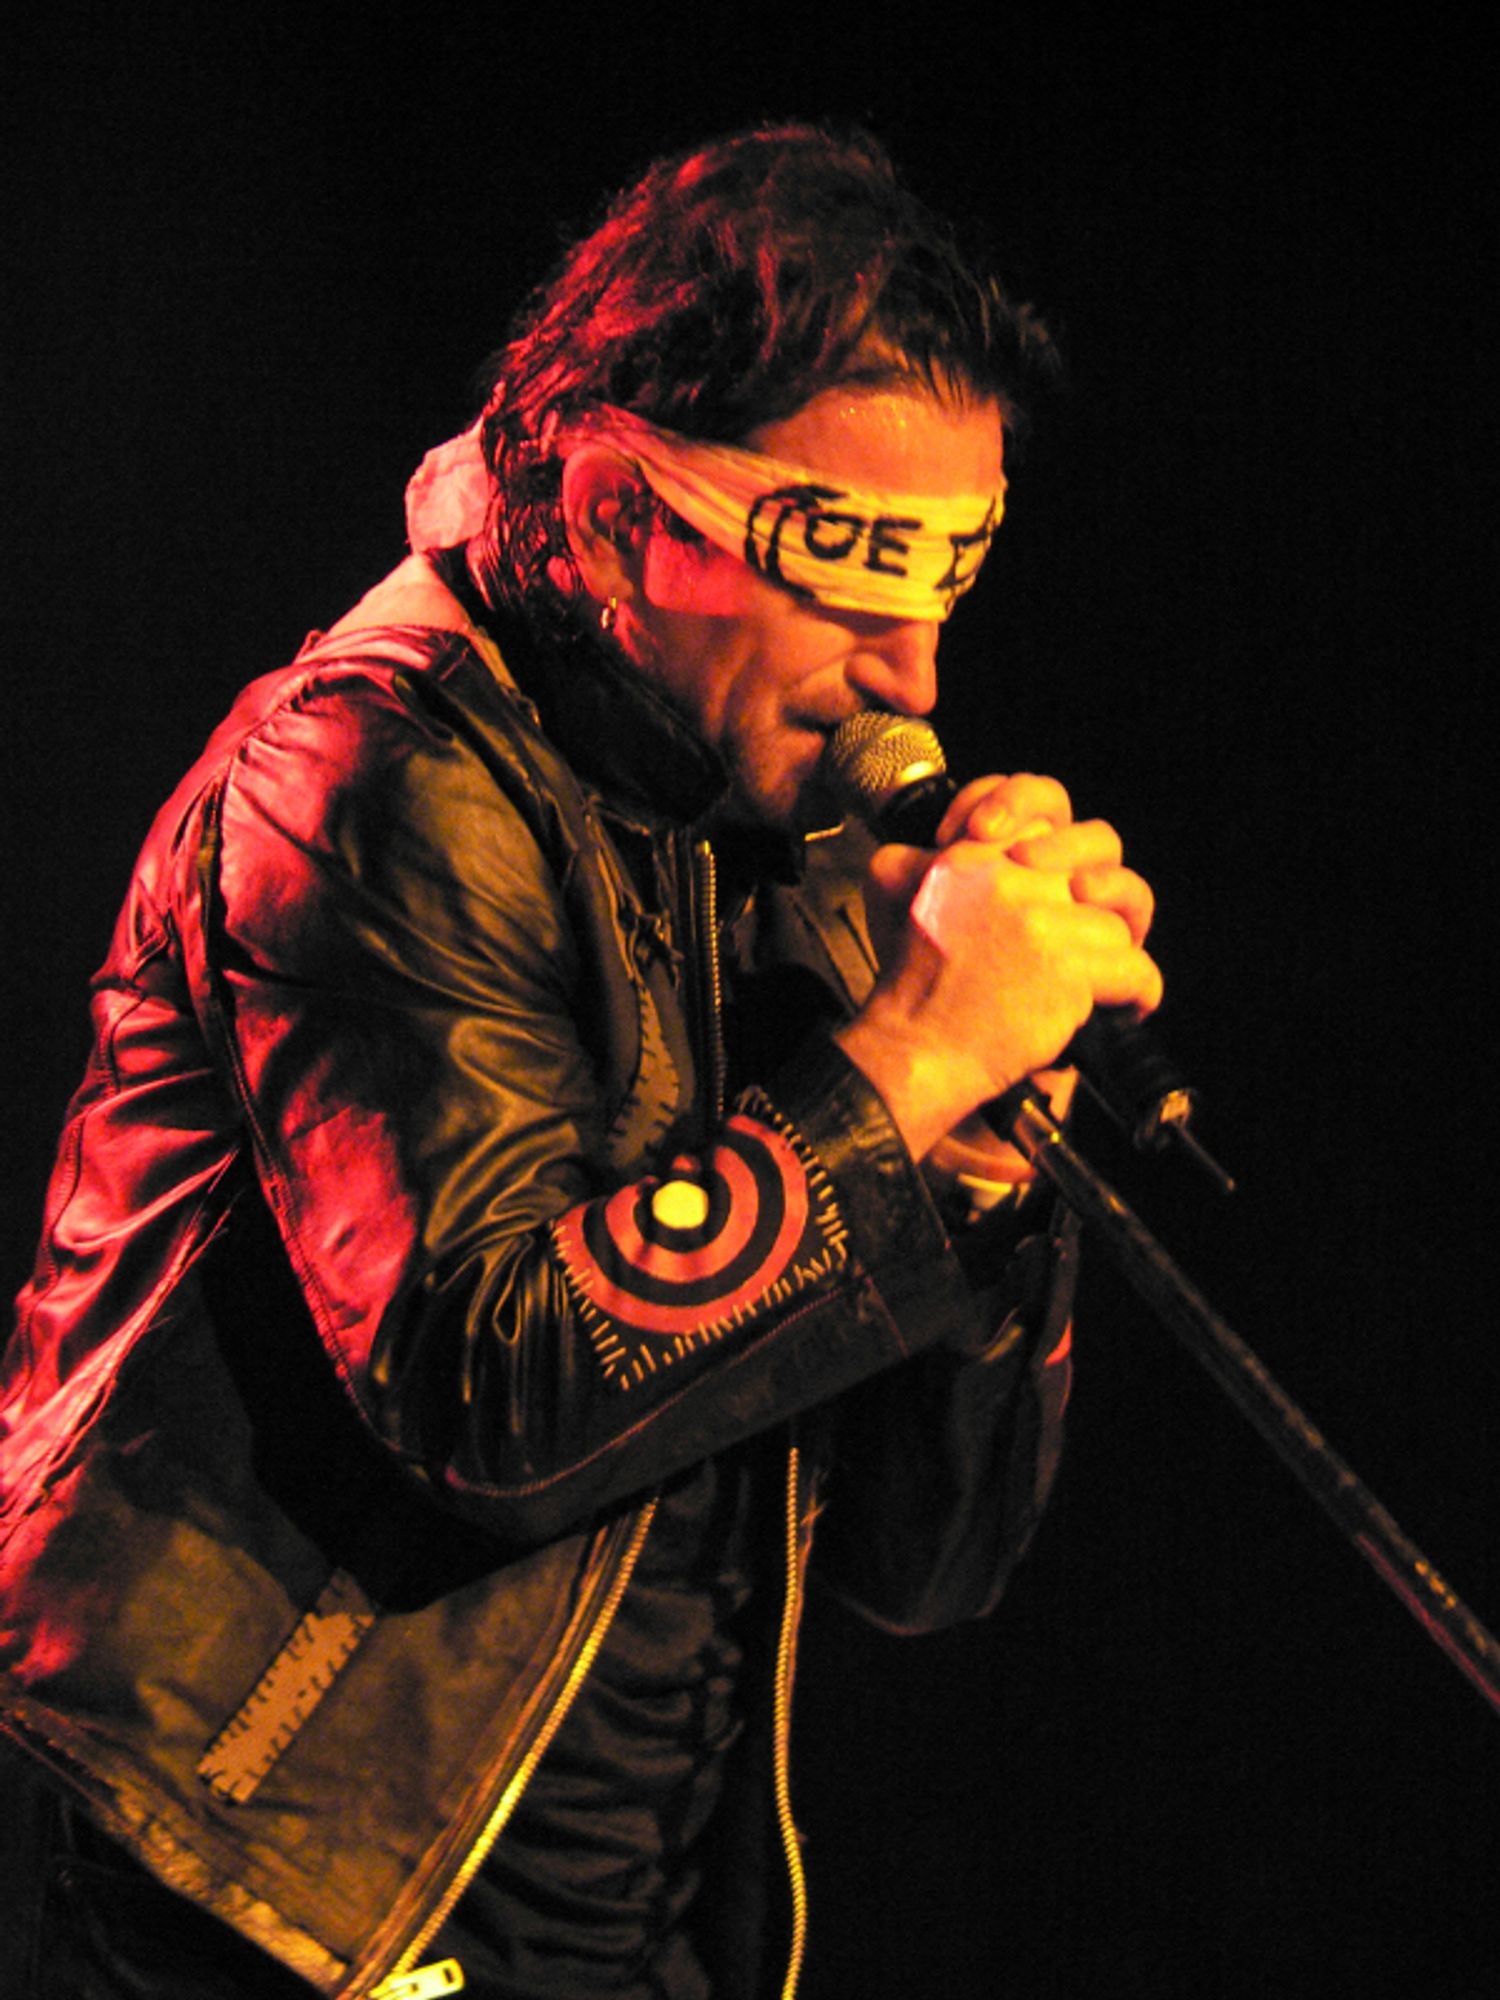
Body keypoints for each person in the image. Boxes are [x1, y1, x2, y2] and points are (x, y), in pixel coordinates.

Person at [0, 125, 1160, 1998]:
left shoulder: (752, 828)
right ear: (628, 519)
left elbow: (923, 1565)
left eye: (947, 580)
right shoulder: (368, 778)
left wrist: (970, 1149)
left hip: (638, 1931)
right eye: (854, 579)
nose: (914, 678)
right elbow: (488, 1389)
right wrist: (891, 1069)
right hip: (284, 1905)